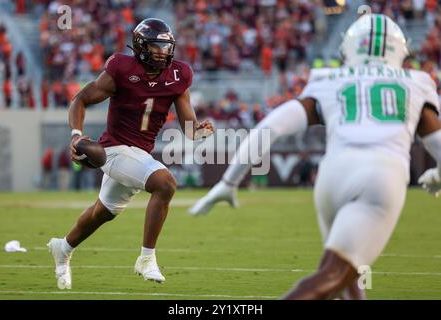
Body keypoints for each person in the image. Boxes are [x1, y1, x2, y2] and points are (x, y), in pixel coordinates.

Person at [189, 13, 441, 299]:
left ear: (349, 48)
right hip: (380, 176)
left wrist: (229, 181)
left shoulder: (328, 78)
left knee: (344, 276)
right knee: (334, 274)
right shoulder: (417, 81)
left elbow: (270, 127)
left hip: (331, 176)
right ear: (401, 50)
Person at [47, 18, 214, 290]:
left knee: (102, 213)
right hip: (113, 150)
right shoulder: (121, 68)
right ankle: (146, 258)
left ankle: (62, 248)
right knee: (166, 184)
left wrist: (200, 132)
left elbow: (189, 127)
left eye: (166, 46)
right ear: (140, 46)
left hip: (138, 154)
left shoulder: (178, 74)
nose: (162, 52)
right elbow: (81, 99)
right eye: (156, 46)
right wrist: (76, 134)